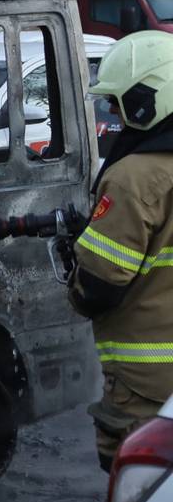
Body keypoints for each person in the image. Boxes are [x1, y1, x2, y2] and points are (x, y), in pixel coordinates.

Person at [69, 30, 173, 471]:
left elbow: (96, 289)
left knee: (136, 501)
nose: (112, 113)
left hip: (147, 389)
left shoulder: (134, 178)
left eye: (120, 101)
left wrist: (70, 264)